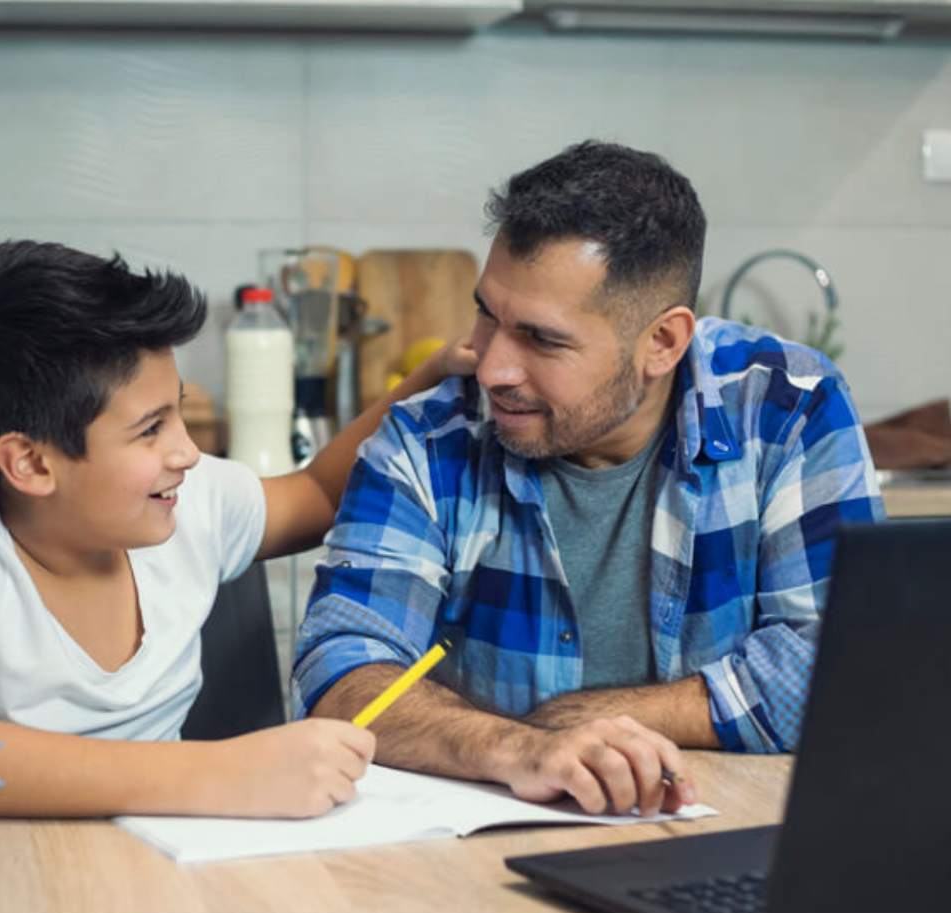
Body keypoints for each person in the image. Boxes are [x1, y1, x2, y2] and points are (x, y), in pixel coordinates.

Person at [294, 140, 885, 819]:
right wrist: (519, 749)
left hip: (731, 830)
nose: (491, 370)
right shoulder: (428, 437)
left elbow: (845, 663)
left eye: (543, 340)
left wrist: (601, 717)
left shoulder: (789, 406)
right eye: (488, 314)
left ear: (662, 343)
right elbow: (340, 665)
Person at [0, 239, 476, 819]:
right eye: (151, 429)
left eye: (179, 411)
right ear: (32, 463)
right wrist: (219, 774)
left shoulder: (188, 502)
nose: (188, 454)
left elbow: (316, 489)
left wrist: (434, 376)